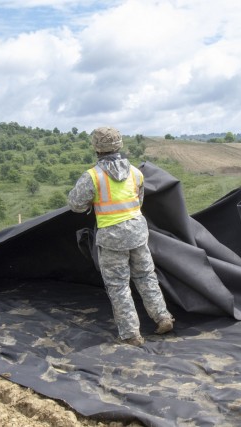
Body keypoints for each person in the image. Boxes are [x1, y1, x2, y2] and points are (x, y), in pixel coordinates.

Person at [67, 126, 174, 346]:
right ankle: (163, 317)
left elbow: (76, 205)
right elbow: (139, 201)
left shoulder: (92, 176)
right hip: (137, 234)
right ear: (120, 145)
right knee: (146, 277)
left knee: (118, 286)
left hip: (112, 238)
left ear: (96, 148)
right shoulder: (136, 173)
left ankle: (131, 334)